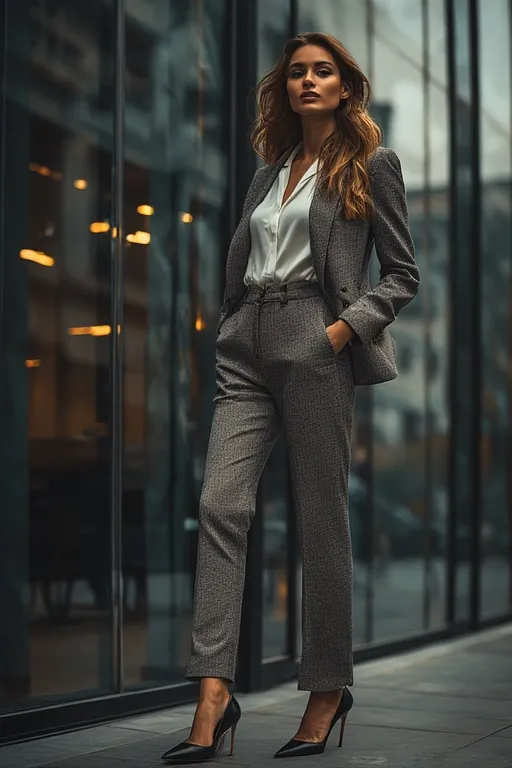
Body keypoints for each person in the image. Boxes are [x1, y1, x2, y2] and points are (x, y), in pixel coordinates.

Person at [161, 31, 419, 764]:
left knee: (321, 522)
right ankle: (213, 692)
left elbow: (403, 274)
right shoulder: (266, 175)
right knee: (220, 504)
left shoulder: (373, 164)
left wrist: (341, 332)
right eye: (298, 72)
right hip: (247, 341)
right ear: (287, 87)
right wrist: (231, 322)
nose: (309, 81)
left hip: (316, 337)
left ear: (345, 85)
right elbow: (243, 257)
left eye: (323, 71)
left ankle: (326, 688)